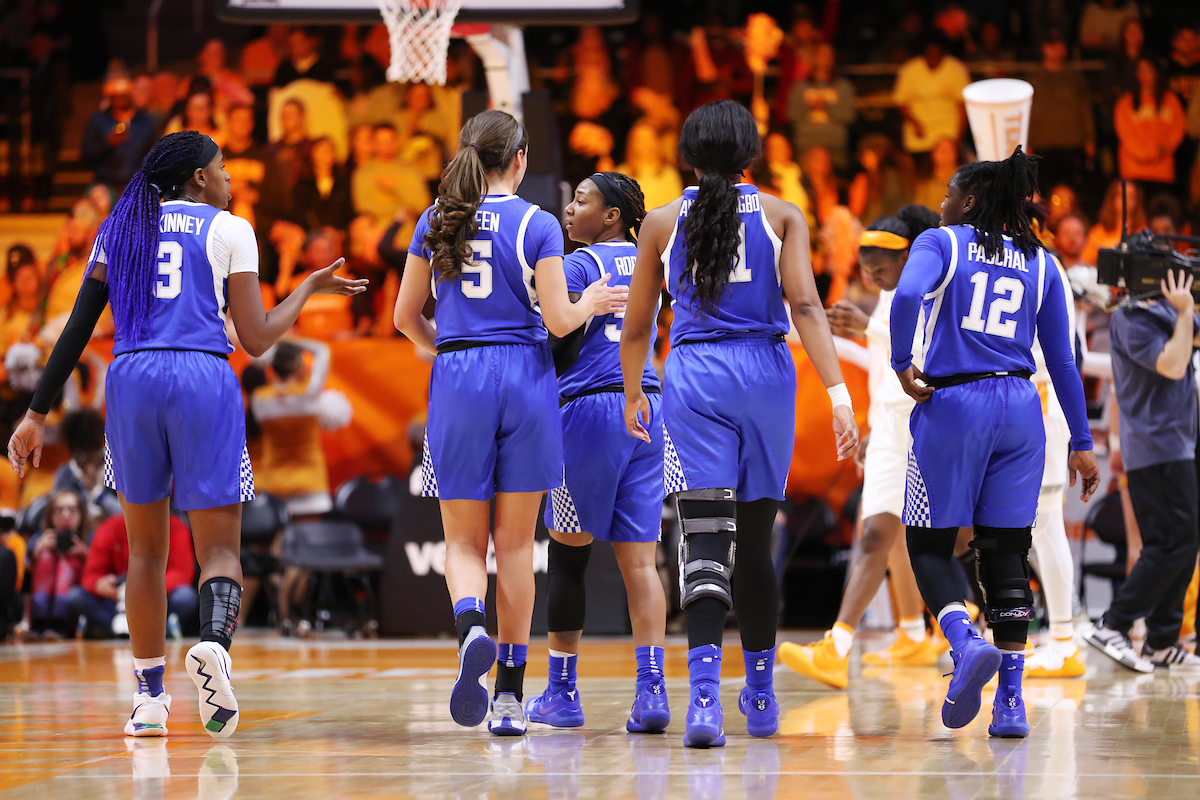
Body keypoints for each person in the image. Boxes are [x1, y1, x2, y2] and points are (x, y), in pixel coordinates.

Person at [6, 130, 366, 739]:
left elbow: (76, 328)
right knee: (219, 549)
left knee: (146, 551)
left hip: (133, 379)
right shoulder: (230, 229)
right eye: (223, 168)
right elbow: (254, 339)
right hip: (202, 376)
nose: (231, 179)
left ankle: (149, 700)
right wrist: (304, 289)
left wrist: (36, 413)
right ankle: (215, 649)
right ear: (199, 177)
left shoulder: (121, 228)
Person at [619, 100, 858, 748]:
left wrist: (634, 389)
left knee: (703, 539)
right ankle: (759, 694)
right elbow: (806, 304)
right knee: (753, 544)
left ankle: (702, 701)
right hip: (767, 376)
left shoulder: (663, 221)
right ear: (751, 154)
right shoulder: (782, 215)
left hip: (695, 374)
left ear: (688, 157)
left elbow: (638, 325)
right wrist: (839, 395)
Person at [393, 109, 624, 737]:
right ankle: (510, 700)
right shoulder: (539, 221)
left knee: (464, 543)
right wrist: (592, 302)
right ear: (520, 158)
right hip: (524, 375)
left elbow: (403, 316)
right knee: (518, 546)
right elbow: (557, 320)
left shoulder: (436, 219)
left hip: (459, 372)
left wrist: (445, 342)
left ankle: (472, 626)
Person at [887, 146, 1099, 739]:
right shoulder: (1044, 262)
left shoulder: (940, 242)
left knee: (928, 545)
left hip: (953, 404)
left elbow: (906, 299)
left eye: (949, 195)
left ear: (970, 201)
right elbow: (1063, 358)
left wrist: (903, 363)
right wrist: (1081, 440)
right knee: (1006, 552)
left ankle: (962, 639)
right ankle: (1010, 702)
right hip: (1020, 410)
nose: (941, 204)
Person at [523, 173, 671, 734]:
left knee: (568, 557)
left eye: (581, 200)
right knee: (640, 563)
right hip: (647, 408)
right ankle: (651, 692)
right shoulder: (649, 259)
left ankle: (562, 693)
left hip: (587, 410)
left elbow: (543, 329)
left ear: (611, 215)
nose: (568, 208)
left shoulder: (580, 265)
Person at [780, 206, 944, 690]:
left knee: (941, 541)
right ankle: (843, 645)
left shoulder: (930, 293)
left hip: (928, 430)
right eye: (866, 263)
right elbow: (883, 375)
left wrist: (866, 327)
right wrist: (872, 427)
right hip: (892, 432)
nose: (870, 272)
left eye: (880, 262)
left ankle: (981, 634)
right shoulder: (890, 299)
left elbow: (928, 354)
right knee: (878, 536)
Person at [1084, 269, 1200, 671]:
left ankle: (1161, 642)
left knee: (1184, 543)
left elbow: (1195, 336)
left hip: (1177, 445)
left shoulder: (1165, 311)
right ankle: (1112, 624)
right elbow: (1172, 363)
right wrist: (1184, 313)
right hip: (1154, 448)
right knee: (1168, 545)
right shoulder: (1130, 318)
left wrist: (1185, 310)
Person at [66, 512, 198, 638]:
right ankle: (143, 630)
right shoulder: (109, 527)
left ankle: (131, 630)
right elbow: (91, 574)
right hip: (116, 599)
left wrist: (146, 589)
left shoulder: (175, 527)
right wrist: (99, 585)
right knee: (76, 597)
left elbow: (182, 573)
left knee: (184, 597)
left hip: (157, 599)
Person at [1026, 30, 1097, 192]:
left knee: (1071, 190)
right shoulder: (1033, 78)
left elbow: (1085, 108)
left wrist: (1090, 139)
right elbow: (1026, 113)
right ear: (1043, 48)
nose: (1055, 49)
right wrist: (1027, 141)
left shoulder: (1075, 77)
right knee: (1042, 190)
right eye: (1051, 45)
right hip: (1042, 143)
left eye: (1059, 45)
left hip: (1072, 142)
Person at [892, 33, 970, 159]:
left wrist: (959, 136)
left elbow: (963, 105)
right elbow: (901, 102)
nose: (933, 57)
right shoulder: (909, 70)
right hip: (919, 134)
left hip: (947, 131)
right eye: (929, 53)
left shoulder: (956, 68)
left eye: (937, 54)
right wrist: (915, 123)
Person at [1114, 58, 1186, 191]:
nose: (1143, 75)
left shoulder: (1171, 101)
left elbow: (1178, 131)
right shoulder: (1125, 102)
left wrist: (1161, 150)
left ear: (1157, 73)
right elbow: (1126, 135)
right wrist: (1148, 154)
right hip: (1133, 170)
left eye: (1148, 71)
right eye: (1140, 71)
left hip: (1162, 171)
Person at [28, 488, 90, 638]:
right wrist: (36, 553)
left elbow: (101, 574)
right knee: (46, 558)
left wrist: (85, 554)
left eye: (72, 509)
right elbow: (23, 575)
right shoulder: (40, 538)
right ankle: (38, 624)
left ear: (81, 514)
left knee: (67, 563)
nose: (66, 515)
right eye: (59, 510)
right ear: (50, 515)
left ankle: (59, 625)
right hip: (41, 609)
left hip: (73, 609)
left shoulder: (90, 537)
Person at [786, 43, 856, 170]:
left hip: (834, 145)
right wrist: (809, 105)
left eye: (828, 55)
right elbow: (791, 115)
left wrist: (826, 105)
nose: (825, 59)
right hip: (806, 144)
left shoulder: (843, 86)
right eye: (821, 55)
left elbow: (849, 116)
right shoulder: (800, 86)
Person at [80, 77, 156, 189]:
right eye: (116, 96)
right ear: (110, 98)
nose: (121, 99)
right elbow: (86, 156)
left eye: (124, 95)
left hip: (136, 184)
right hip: (105, 183)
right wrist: (108, 143)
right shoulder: (98, 121)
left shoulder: (145, 123)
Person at [51, 408, 121, 520]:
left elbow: (127, 516)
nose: (81, 462)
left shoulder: (115, 468)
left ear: (98, 449)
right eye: (76, 456)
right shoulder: (67, 474)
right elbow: (55, 515)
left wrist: (97, 493)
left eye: (85, 455)